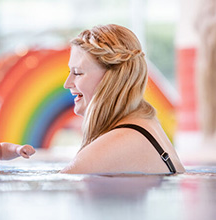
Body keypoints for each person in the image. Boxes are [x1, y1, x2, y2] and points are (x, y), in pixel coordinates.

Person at [60, 24, 185, 174]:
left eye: (77, 73)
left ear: (112, 79)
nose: (67, 84)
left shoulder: (112, 145)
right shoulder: (147, 126)